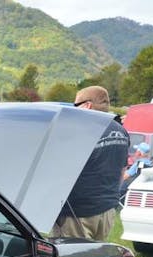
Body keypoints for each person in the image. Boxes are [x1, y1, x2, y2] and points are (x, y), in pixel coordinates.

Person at [51, 86, 129, 241]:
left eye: (76, 105)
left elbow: (59, 170)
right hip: (106, 210)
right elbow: (122, 170)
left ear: (87, 105)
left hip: (77, 212)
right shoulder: (120, 130)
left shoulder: (80, 130)